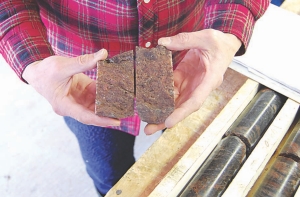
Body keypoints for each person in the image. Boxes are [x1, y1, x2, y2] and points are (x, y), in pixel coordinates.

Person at [0, 0, 269, 196]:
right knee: (110, 177)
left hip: (185, 65)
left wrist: (229, 28)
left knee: (180, 165)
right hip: (83, 81)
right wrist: (32, 63)